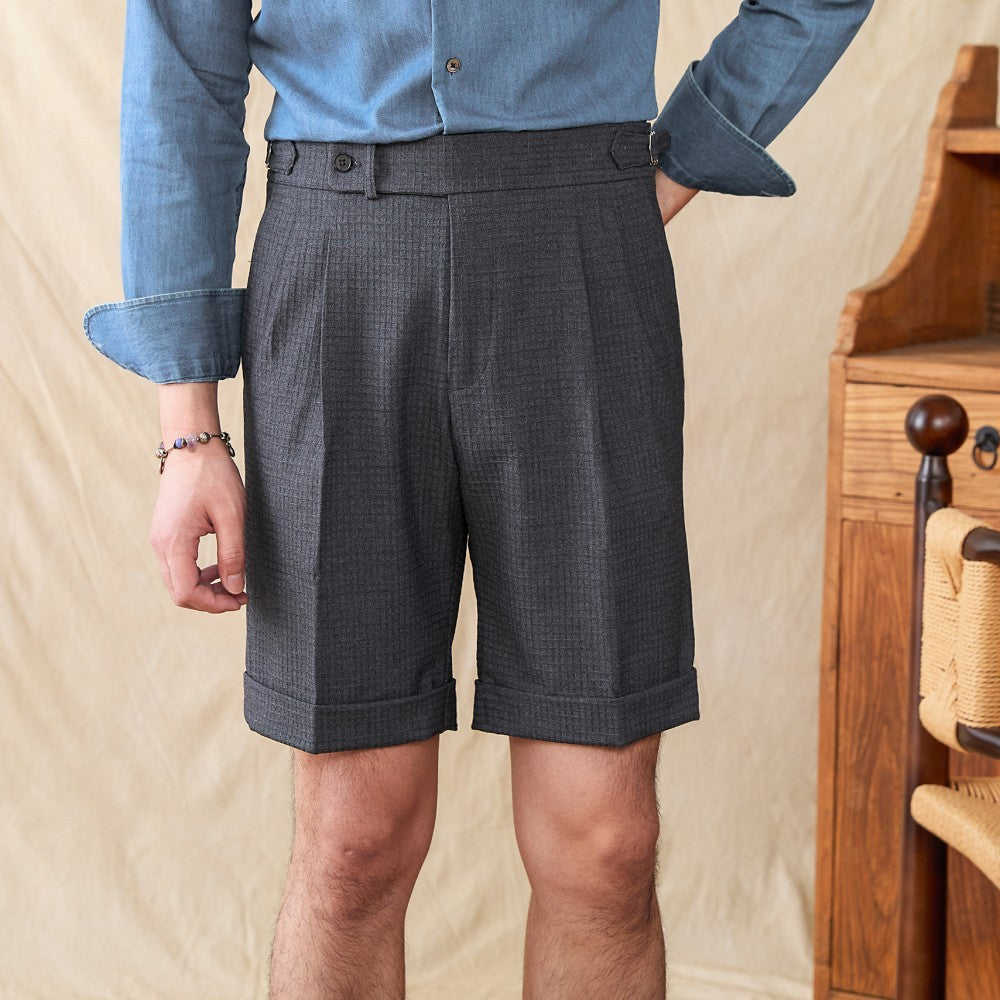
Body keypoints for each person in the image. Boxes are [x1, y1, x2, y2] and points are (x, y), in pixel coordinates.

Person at [82, 1, 875, 996]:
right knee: (352, 842)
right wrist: (187, 426)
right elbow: (181, 66)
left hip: (581, 252)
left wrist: (680, 159)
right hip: (337, 271)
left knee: (606, 844)